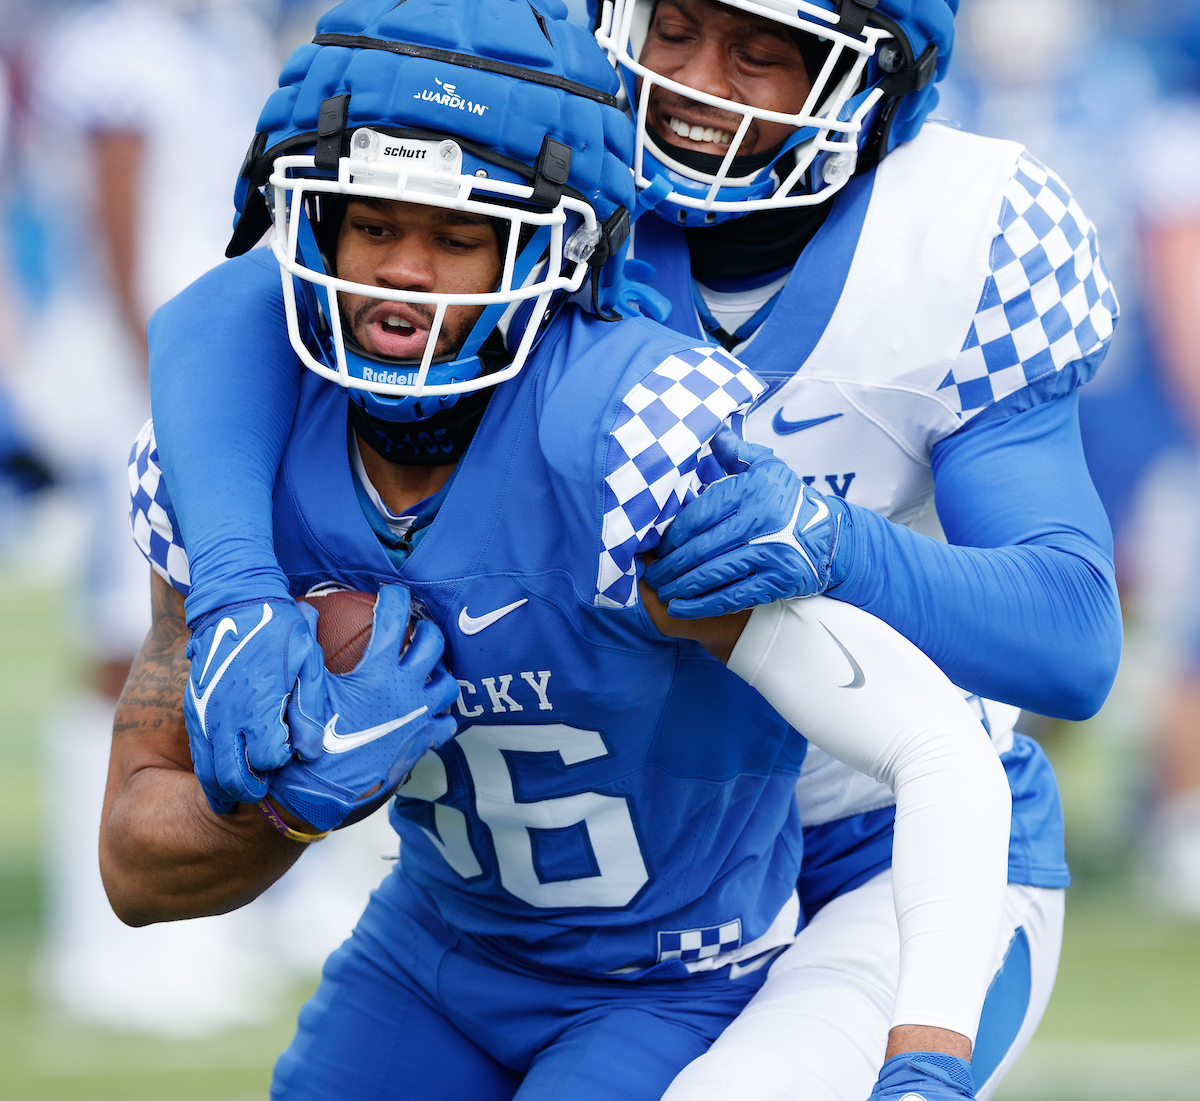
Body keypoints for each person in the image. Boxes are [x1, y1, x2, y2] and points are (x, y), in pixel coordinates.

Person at [110, 2, 1016, 1099]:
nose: (401, 276)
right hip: (435, 955)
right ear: (305, 224)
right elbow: (134, 866)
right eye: (370, 225)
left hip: (665, 982)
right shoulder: (231, 460)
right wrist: (290, 806)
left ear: (552, 250)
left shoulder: (626, 444)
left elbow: (937, 747)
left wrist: (929, 1058)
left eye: (456, 236)